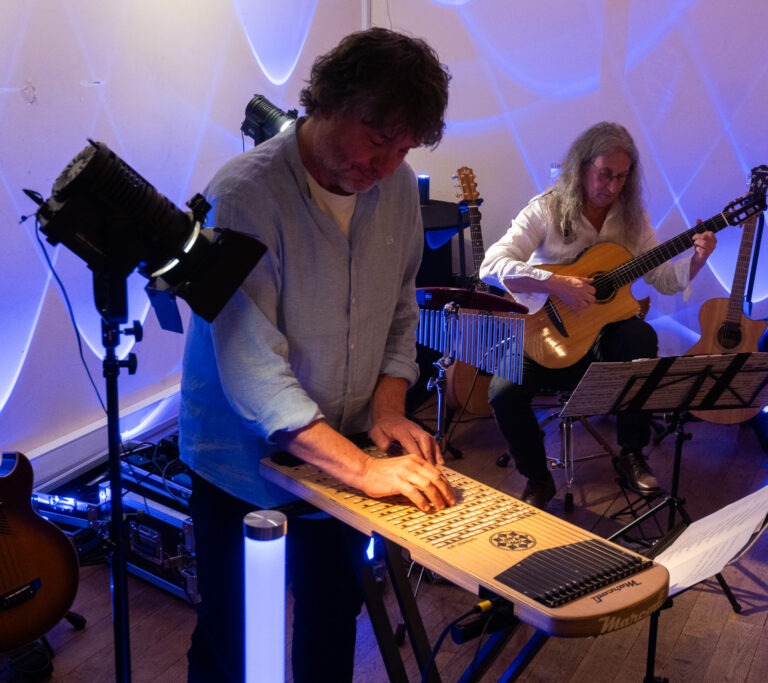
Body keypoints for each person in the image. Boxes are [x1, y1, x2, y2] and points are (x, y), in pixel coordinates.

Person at [178, 28, 456, 683]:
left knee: (332, 620)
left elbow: (399, 308)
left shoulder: (396, 188)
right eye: (376, 138)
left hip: (347, 450)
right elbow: (255, 372)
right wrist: (363, 469)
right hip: (241, 467)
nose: (385, 164)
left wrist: (388, 409)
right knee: (238, 641)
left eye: (403, 148)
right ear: (327, 102)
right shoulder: (245, 195)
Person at [479, 121, 718, 509]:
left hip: (602, 339)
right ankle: (538, 477)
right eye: (605, 174)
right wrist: (556, 283)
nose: (612, 186)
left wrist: (697, 260)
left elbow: (662, 278)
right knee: (502, 392)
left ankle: (631, 453)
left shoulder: (632, 219)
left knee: (641, 338)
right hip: (544, 331)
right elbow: (491, 266)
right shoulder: (545, 208)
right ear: (582, 166)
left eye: (622, 177)